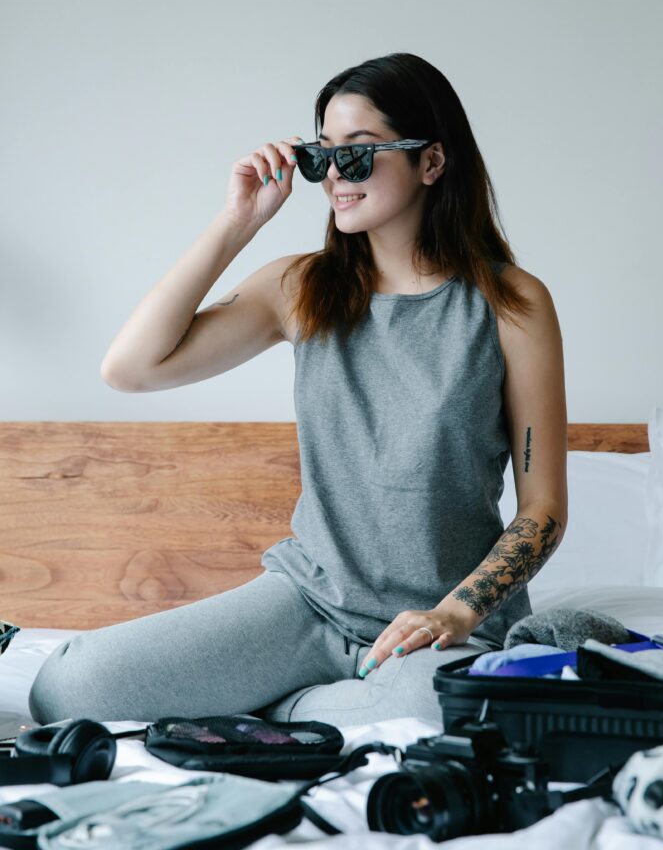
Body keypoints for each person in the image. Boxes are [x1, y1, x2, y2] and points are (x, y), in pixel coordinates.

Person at [28, 52, 568, 728]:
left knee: (432, 715)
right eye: (322, 156)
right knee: (67, 688)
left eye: (358, 152)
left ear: (431, 161)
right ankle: (320, 703)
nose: (335, 175)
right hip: (308, 604)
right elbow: (130, 368)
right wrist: (238, 221)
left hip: (443, 622)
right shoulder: (300, 288)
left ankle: (289, 705)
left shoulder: (513, 304)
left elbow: (543, 508)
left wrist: (457, 611)